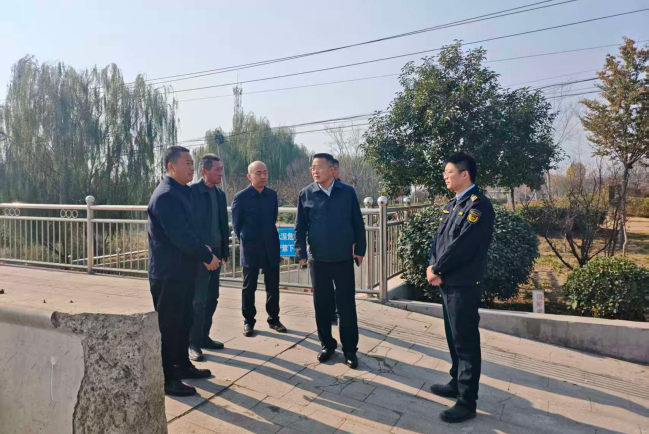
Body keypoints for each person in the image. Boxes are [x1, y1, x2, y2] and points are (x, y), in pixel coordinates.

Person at [426, 152, 495, 423]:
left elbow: (463, 246)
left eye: (449, 172)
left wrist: (438, 269)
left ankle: (467, 401)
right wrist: (432, 266)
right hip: (447, 281)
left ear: (465, 174)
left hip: (463, 283)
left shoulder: (479, 206)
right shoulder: (454, 204)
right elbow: (440, 241)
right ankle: (456, 382)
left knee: (465, 342)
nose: (445, 176)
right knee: (453, 337)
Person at [147, 146, 219, 397]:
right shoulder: (166, 195)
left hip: (183, 271)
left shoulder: (182, 191)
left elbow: (190, 229)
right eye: (186, 163)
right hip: (168, 273)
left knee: (184, 321)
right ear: (170, 166)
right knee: (169, 327)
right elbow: (180, 236)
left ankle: (182, 366)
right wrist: (206, 256)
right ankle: (167, 378)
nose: (191, 167)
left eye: (192, 163)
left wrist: (203, 247)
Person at [295, 153, 366, 369]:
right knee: (322, 305)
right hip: (318, 260)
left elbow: (357, 222)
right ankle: (327, 345)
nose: (315, 171)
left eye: (319, 167)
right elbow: (300, 227)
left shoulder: (347, 192)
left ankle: (350, 350)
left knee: (347, 306)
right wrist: (300, 253)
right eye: (312, 167)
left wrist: (360, 250)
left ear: (332, 169)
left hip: (343, 258)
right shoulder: (306, 194)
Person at [231, 161, 287, 337]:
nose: (263, 176)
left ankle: (274, 318)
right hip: (251, 248)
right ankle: (249, 321)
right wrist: (247, 239)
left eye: (265, 172)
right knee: (249, 287)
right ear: (249, 176)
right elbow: (237, 225)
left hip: (270, 246)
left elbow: (273, 217)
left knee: (273, 286)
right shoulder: (241, 197)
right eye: (258, 173)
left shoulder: (272, 195)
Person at [188, 154, 230, 362]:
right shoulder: (192, 192)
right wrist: (202, 253)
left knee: (212, 297)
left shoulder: (220, 194)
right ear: (204, 171)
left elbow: (223, 224)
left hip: (217, 252)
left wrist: (225, 251)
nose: (221, 173)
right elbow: (189, 226)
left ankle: (204, 336)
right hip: (201, 254)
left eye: (221, 169)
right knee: (198, 300)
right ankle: (192, 342)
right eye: (217, 169)